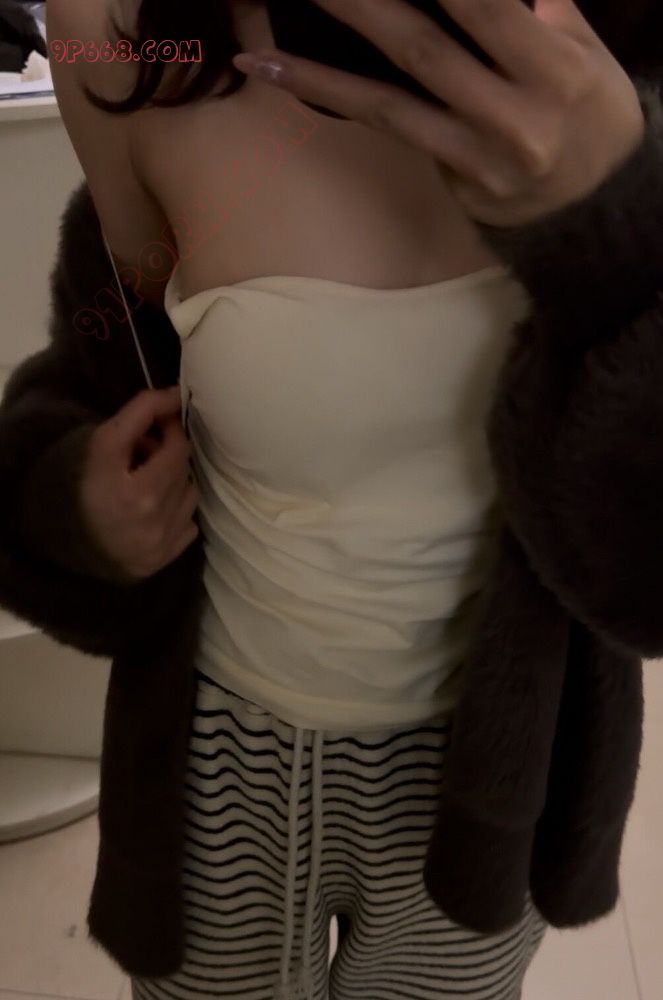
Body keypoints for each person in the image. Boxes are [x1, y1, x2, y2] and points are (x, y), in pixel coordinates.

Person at [35, 0, 660, 998]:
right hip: (210, 756)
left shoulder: (621, 43)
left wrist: (620, 235)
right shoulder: (112, 31)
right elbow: (113, 357)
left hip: (495, 774)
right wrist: (71, 498)